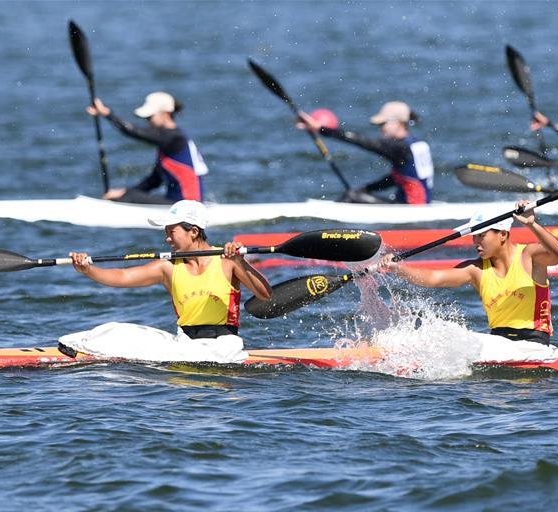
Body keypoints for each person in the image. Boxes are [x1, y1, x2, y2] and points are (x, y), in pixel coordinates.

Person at [58, 200, 272, 362]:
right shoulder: (167, 268)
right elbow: (122, 277)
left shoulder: (228, 262)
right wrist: (88, 270)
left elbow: (265, 294)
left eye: (172, 232)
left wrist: (241, 262)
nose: (167, 239)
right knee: (113, 330)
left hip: (223, 345)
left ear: (194, 232)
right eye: (166, 233)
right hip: (185, 342)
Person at [379, 200, 558, 346]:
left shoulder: (529, 256)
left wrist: (531, 224)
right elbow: (434, 279)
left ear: (503, 234)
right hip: (498, 341)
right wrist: (398, 268)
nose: (475, 242)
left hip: (534, 342)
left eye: (482, 235)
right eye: (474, 236)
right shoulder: (475, 270)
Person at [297, 101, 434, 204]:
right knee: (357, 193)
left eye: (383, 124)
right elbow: (398, 178)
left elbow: (362, 141)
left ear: (398, 123)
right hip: (419, 205)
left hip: (410, 210)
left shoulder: (400, 148)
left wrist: (322, 129)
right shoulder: (415, 144)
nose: (381, 129)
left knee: (351, 197)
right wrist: (367, 188)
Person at [87, 92, 208, 204]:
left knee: (130, 197)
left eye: (150, 117)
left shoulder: (174, 138)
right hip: (175, 202)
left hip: (188, 205)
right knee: (129, 195)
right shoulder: (167, 143)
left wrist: (107, 114)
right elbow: (154, 181)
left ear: (165, 114)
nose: (148, 122)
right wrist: (124, 192)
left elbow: (134, 132)